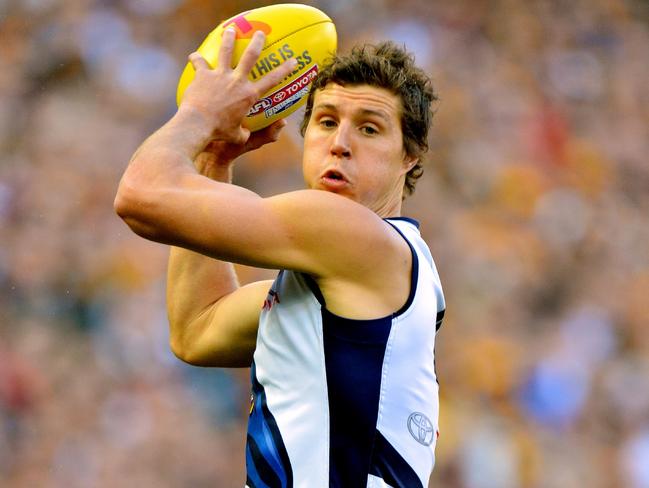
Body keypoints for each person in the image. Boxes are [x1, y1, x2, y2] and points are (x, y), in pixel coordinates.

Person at [115, 27, 445, 488]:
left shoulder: (352, 235)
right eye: (326, 122)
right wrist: (214, 159)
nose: (340, 142)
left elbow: (139, 195)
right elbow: (197, 330)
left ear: (410, 155)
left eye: (369, 128)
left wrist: (198, 115)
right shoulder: (366, 270)